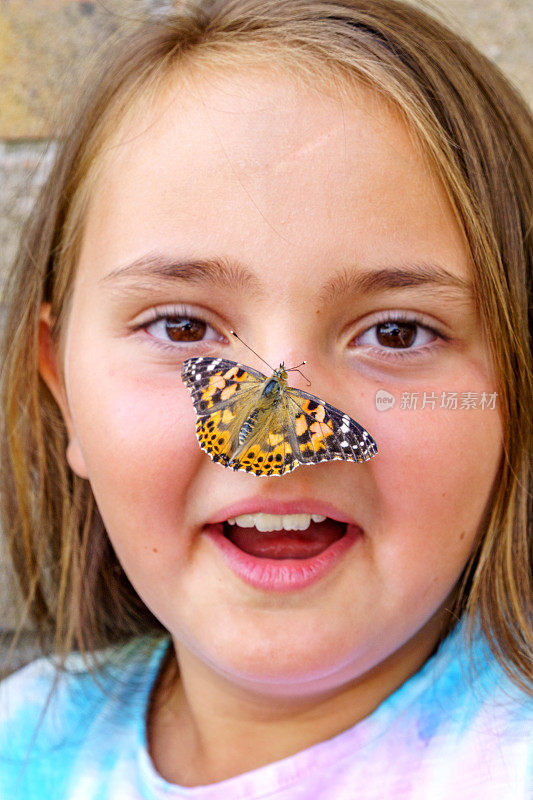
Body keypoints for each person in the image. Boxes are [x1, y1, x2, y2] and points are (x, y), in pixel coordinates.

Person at [0, 0, 531, 797]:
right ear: (64, 392)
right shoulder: (19, 741)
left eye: (394, 334)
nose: (279, 445)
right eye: (182, 326)